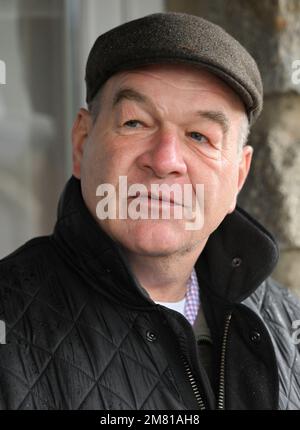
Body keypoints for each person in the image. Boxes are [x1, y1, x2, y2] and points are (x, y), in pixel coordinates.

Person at [0, 12, 299, 411]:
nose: (165, 160)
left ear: (239, 176)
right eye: (136, 122)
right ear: (81, 143)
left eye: (199, 136)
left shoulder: (286, 320)